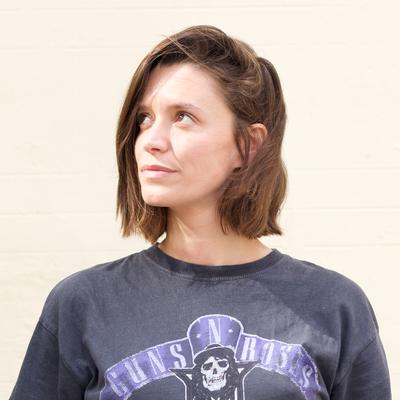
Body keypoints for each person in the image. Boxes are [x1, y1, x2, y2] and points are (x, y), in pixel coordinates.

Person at [9, 25, 391, 400]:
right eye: (144, 118)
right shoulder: (83, 304)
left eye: (183, 117)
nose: (151, 140)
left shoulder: (335, 307)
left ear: (248, 145)